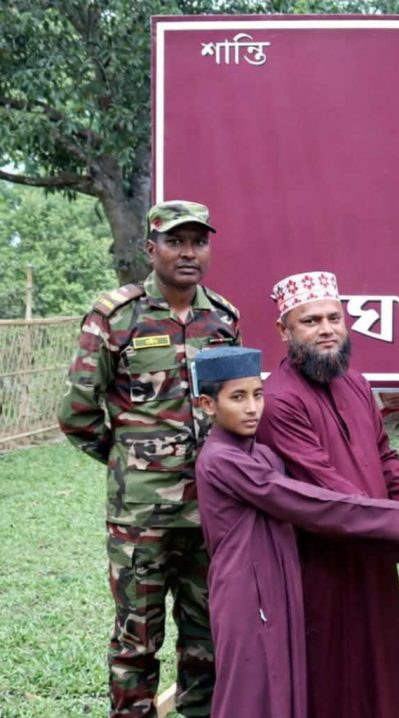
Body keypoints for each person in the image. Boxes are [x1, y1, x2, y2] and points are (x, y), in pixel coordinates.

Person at [191, 346, 399, 718]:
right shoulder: (221, 460)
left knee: (284, 692)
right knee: (249, 696)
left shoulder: (261, 455)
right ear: (207, 404)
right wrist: (395, 519)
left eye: (257, 395)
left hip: (280, 589)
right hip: (246, 595)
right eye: (237, 398)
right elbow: (305, 501)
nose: (251, 408)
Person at [57, 201, 240, 717]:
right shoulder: (115, 315)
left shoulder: (222, 318)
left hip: (210, 510)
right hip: (140, 517)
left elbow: (235, 404)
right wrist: (127, 462)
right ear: (150, 248)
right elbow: (77, 413)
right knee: (136, 639)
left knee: (208, 635)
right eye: (176, 241)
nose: (188, 253)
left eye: (198, 241)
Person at [255, 270, 399, 718]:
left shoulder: (356, 384)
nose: (326, 330)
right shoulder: (278, 399)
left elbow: (384, 459)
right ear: (284, 331)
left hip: (373, 557)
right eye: (310, 321)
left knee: (383, 673)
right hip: (319, 567)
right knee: (333, 681)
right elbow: (323, 492)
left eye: (334, 318)